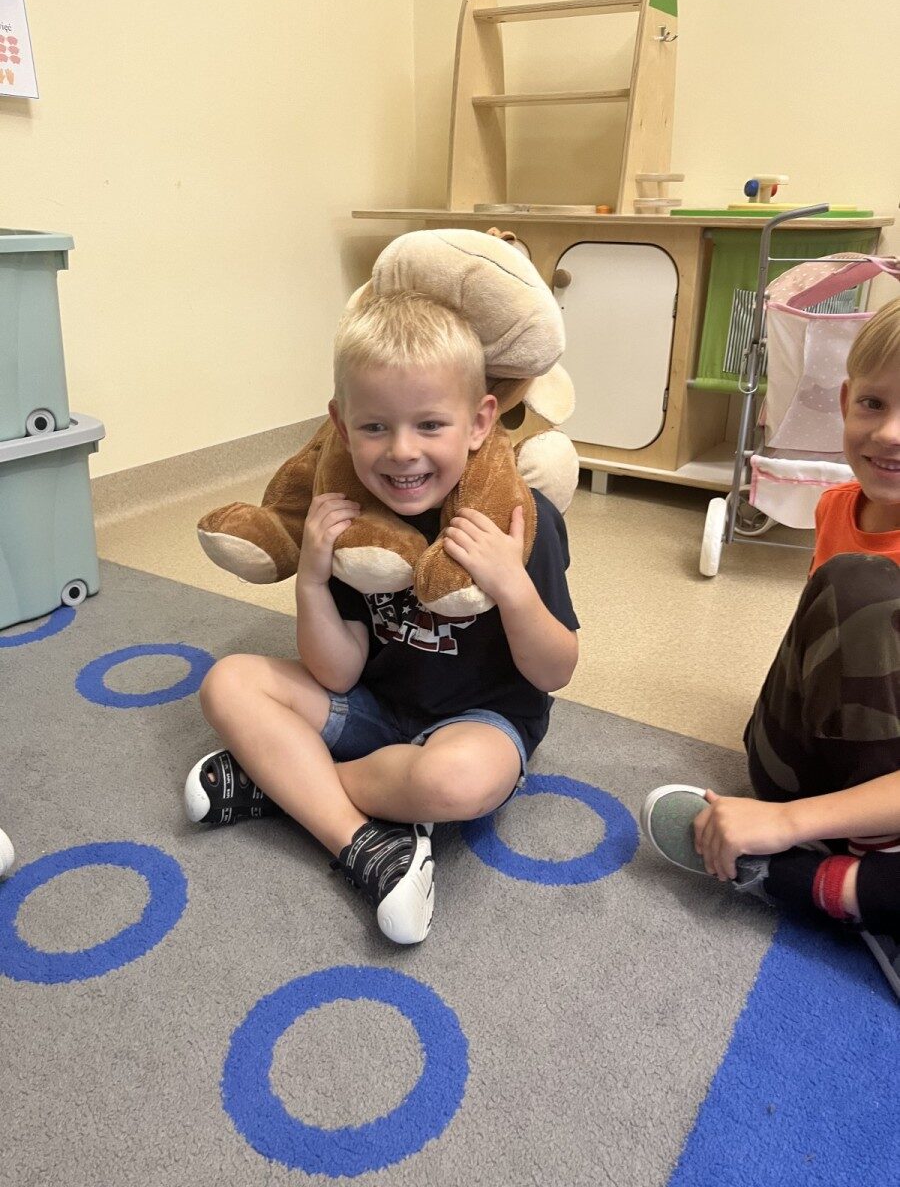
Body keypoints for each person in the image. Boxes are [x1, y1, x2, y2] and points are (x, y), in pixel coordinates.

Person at [184, 290, 579, 944]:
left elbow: (556, 670)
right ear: (340, 427)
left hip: (480, 723)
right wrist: (313, 578)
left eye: (430, 425)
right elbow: (337, 674)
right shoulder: (348, 518)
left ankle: (285, 785)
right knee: (227, 682)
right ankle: (363, 840)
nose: (401, 451)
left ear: (480, 422)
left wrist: (513, 586)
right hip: (374, 709)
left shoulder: (519, 518)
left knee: (455, 781)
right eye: (375, 428)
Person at [641, 297, 900, 999]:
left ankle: (802, 876)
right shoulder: (837, 506)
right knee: (858, 583)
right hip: (805, 763)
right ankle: (860, 873)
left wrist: (788, 828)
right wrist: (787, 814)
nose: (889, 434)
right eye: (872, 403)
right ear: (845, 402)